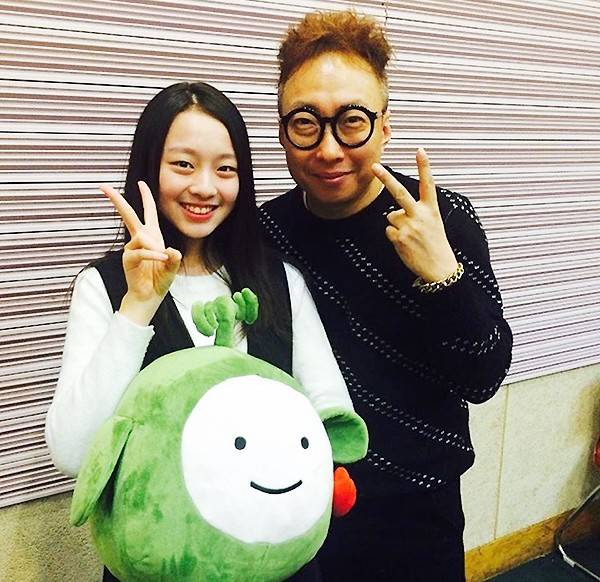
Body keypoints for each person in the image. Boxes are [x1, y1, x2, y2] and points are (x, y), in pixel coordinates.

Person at [45, 81, 357, 582]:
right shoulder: (104, 288)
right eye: (183, 165)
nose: (206, 187)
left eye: (225, 169)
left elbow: (327, 416)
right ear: (149, 168)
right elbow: (74, 454)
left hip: (276, 569)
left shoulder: (280, 282)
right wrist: (138, 306)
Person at [259, 10, 513, 581]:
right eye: (306, 123)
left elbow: (484, 377)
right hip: (296, 500)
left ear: (384, 125)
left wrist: (442, 273)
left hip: (416, 511)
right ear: (282, 130)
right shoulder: (264, 233)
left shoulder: (440, 219)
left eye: (352, 121)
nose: (329, 149)